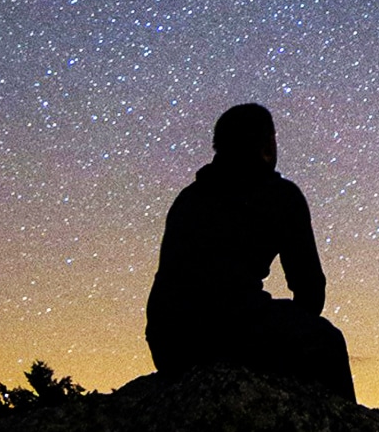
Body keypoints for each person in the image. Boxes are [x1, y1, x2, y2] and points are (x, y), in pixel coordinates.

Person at [146, 103, 355, 402]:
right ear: (265, 146)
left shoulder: (189, 198)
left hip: (169, 341)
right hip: (226, 332)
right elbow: (310, 292)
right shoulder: (281, 197)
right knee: (326, 343)